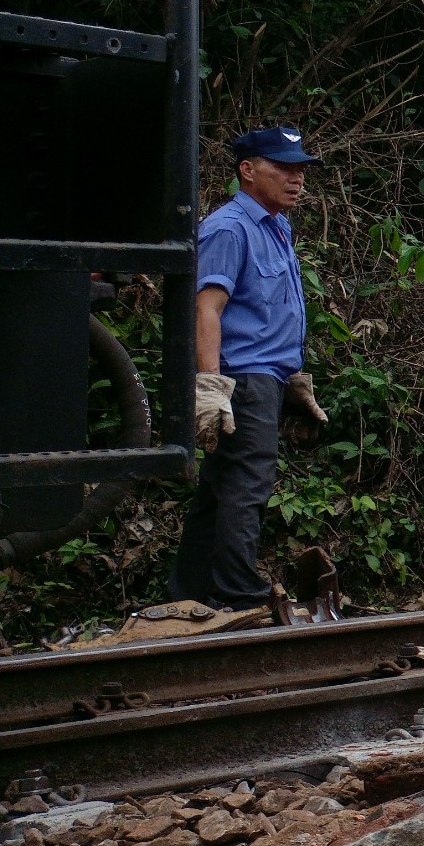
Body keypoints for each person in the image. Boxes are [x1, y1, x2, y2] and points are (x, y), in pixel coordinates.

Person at [171, 125, 328, 608]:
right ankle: (239, 592)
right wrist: (211, 385)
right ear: (247, 170)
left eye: (300, 168)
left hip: (268, 375)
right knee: (248, 483)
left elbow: (271, 307)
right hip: (243, 377)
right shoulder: (228, 228)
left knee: (220, 487)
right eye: (283, 167)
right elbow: (207, 310)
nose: (296, 178)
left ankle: (192, 590)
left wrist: (292, 373)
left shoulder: (277, 225)